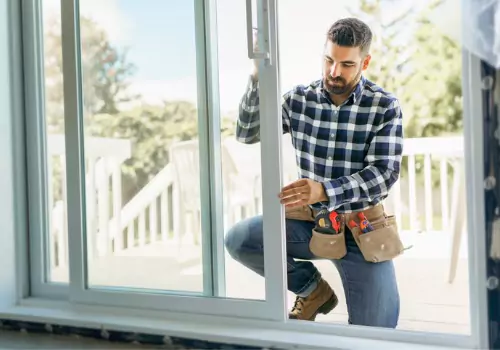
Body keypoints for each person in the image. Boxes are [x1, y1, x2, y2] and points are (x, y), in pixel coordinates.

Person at [224, 17, 403, 328]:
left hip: (360, 229)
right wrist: (256, 76)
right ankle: (312, 290)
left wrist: (324, 190)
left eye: (347, 64)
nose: (335, 72)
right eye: (329, 60)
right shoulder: (298, 100)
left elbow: (384, 174)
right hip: (312, 224)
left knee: (379, 331)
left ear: (365, 62)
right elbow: (247, 132)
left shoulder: (384, 106)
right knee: (240, 240)